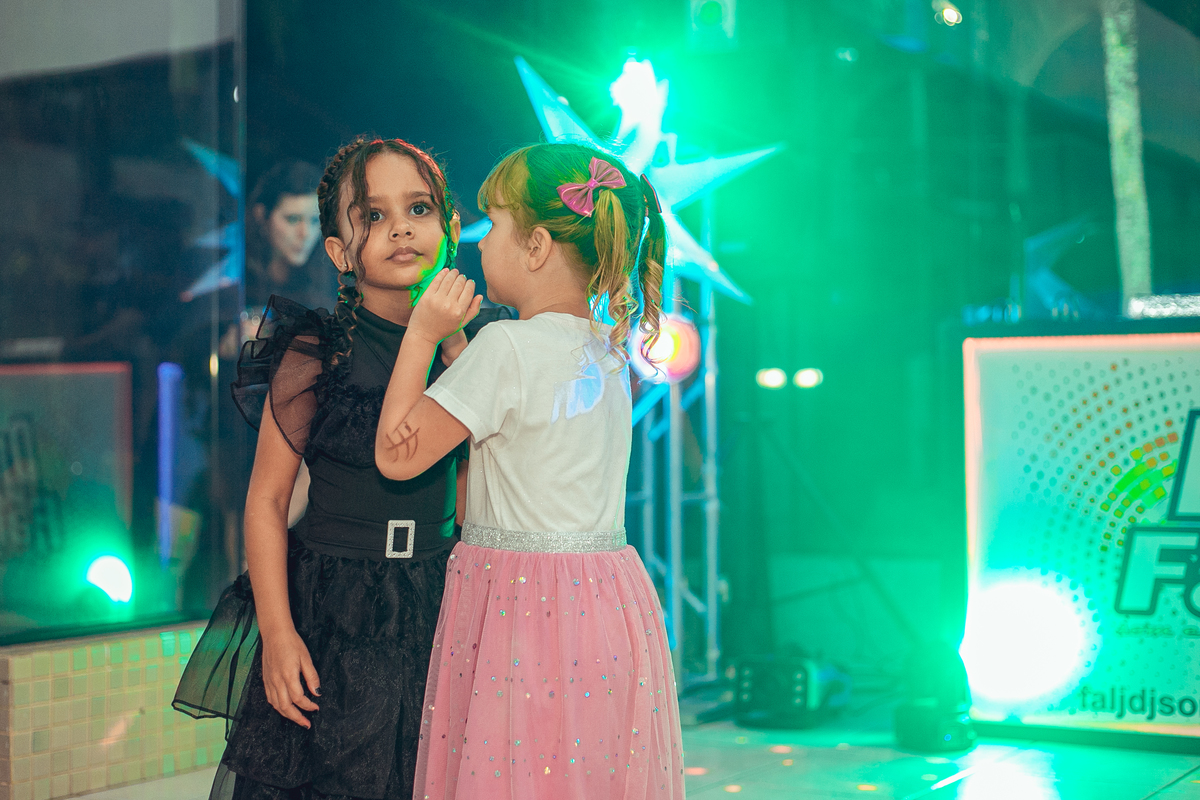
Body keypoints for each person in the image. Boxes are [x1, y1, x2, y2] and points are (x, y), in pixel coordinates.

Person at [173, 136, 508, 800]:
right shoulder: (315, 350)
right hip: (334, 604)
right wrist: (277, 634)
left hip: (438, 596)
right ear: (339, 251)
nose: (401, 228)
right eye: (374, 215)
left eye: (418, 208)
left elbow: (477, 485)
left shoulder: (480, 341)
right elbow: (268, 502)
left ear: (449, 228)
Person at [374, 143, 685, 799]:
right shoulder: (606, 348)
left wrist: (423, 334)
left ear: (537, 245)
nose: (480, 242)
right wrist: (460, 350)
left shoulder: (506, 346)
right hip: (605, 603)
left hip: (522, 604)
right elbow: (519, 433)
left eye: (492, 224)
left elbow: (397, 456)